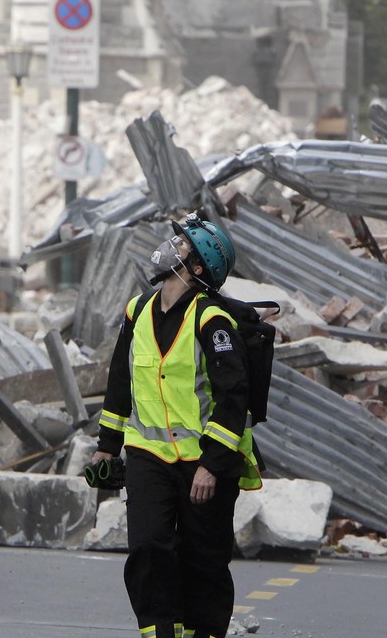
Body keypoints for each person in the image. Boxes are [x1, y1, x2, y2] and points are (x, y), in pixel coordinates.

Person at [92, 213, 262, 638]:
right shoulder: (137, 310)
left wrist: (214, 464)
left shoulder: (211, 321)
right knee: (148, 547)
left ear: (197, 268)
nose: (171, 247)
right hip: (149, 454)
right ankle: (159, 631)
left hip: (203, 461)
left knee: (202, 559)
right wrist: (107, 447)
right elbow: (119, 382)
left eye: (182, 245)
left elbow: (234, 397)